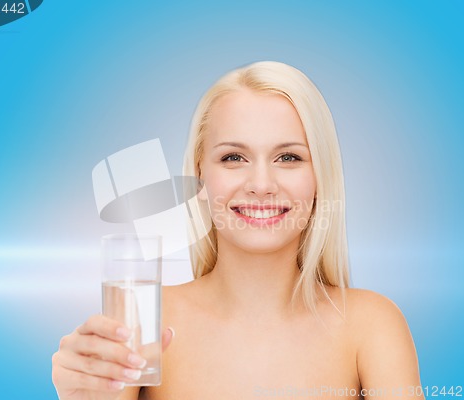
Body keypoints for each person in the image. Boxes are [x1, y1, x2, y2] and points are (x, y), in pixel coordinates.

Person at [52, 61, 424, 400]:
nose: (261, 184)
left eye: (288, 157)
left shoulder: (371, 325)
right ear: (200, 173)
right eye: (233, 158)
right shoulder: (143, 320)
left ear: (319, 176)